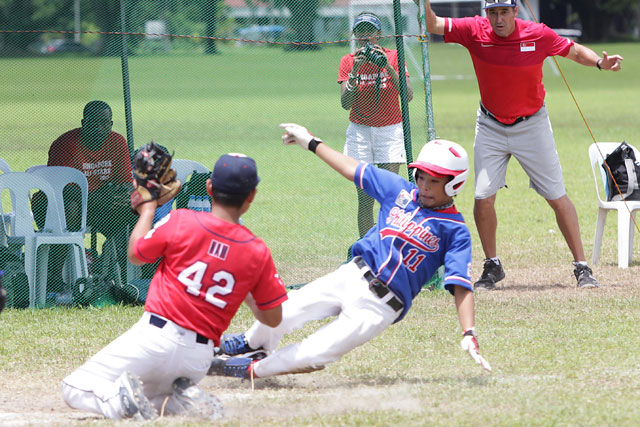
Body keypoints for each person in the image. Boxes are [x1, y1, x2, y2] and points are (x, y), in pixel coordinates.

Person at [208, 123, 490, 380]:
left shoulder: (455, 230)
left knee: (315, 354)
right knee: (287, 309)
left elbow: (461, 286)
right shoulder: (400, 191)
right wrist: (312, 142)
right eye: (421, 176)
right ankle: (252, 342)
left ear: (455, 183)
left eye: (435, 180)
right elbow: (353, 169)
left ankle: (251, 368)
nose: (425, 185)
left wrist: (468, 331)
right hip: (352, 276)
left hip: (380, 306)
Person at [61, 153, 288, 420]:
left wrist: (148, 209)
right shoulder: (256, 251)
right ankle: (183, 402)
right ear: (252, 196)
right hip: (198, 359)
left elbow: (135, 253)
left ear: (210, 188)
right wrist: (248, 288)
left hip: (154, 340)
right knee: (155, 397)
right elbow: (273, 318)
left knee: (74, 387)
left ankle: (120, 405)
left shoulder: (182, 220)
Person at [417, 0, 624, 289]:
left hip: (532, 124)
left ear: (516, 11)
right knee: (483, 197)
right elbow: (433, 24)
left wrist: (600, 63)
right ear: (486, 14)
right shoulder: (475, 30)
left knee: (556, 195)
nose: (498, 19)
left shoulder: (537, 33)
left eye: (504, 12)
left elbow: (573, 51)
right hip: (490, 125)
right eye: (493, 13)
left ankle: (582, 267)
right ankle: (492, 265)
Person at [34, 100, 135, 292]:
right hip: (53, 206)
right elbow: (63, 189)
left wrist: (124, 195)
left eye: (104, 123)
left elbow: (125, 182)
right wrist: (98, 198)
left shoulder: (117, 142)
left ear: (111, 124)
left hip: (96, 205)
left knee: (136, 207)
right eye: (93, 122)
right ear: (83, 122)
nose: (99, 128)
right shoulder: (65, 145)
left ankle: (117, 270)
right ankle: (53, 276)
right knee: (70, 208)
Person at [339, 12, 413, 238]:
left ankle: (390, 245)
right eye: (360, 32)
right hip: (360, 132)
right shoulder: (348, 60)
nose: (365, 37)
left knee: (390, 194)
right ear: (355, 35)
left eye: (370, 31)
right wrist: (355, 73)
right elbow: (345, 103)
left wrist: (387, 67)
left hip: (390, 130)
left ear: (378, 34)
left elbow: (408, 95)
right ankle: (367, 251)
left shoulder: (393, 56)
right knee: (365, 197)